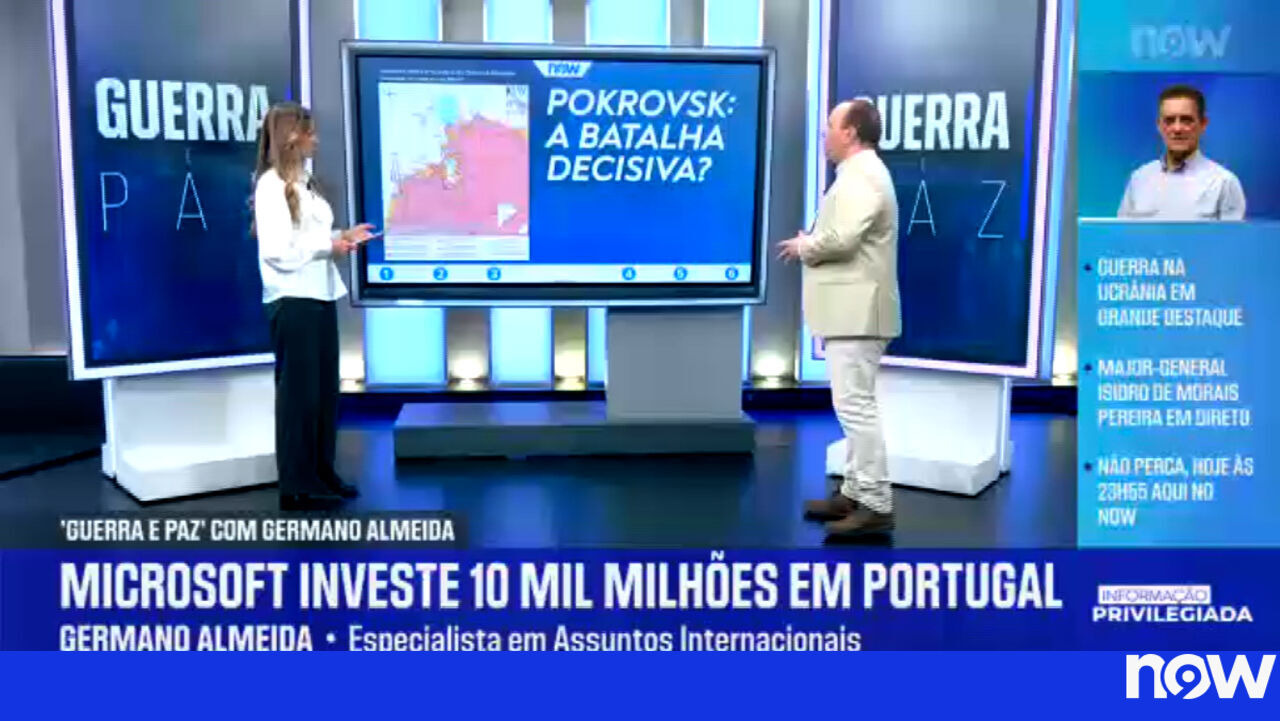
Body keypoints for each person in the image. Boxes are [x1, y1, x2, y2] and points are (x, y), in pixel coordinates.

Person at [778, 98, 900, 538]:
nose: (824, 133)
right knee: (852, 406)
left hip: (858, 314)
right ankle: (853, 493)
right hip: (852, 313)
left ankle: (876, 504)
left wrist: (805, 246)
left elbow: (844, 239)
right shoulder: (857, 174)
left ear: (850, 132)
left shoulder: (864, 175)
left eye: (831, 125)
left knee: (856, 408)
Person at [252, 101, 376, 511]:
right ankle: (297, 484)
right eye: (309, 132)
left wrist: (344, 235)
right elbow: (276, 250)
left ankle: (322, 472)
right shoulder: (271, 185)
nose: (316, 139)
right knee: (299, 398)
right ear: (291, 136)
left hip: (319, 295)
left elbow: (307, 236)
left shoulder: (305, 183)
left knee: (323, 395)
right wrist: (329, 245)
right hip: (292, 301)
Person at [1118, 84, 1245, 220]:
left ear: (1203, 124)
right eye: (1169, 120)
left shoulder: (1224, 183)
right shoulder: (1139, 179)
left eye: (1186, 120)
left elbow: (1234, 234)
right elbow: (1123, 232)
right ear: (1159, 126)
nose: (1177, 128)